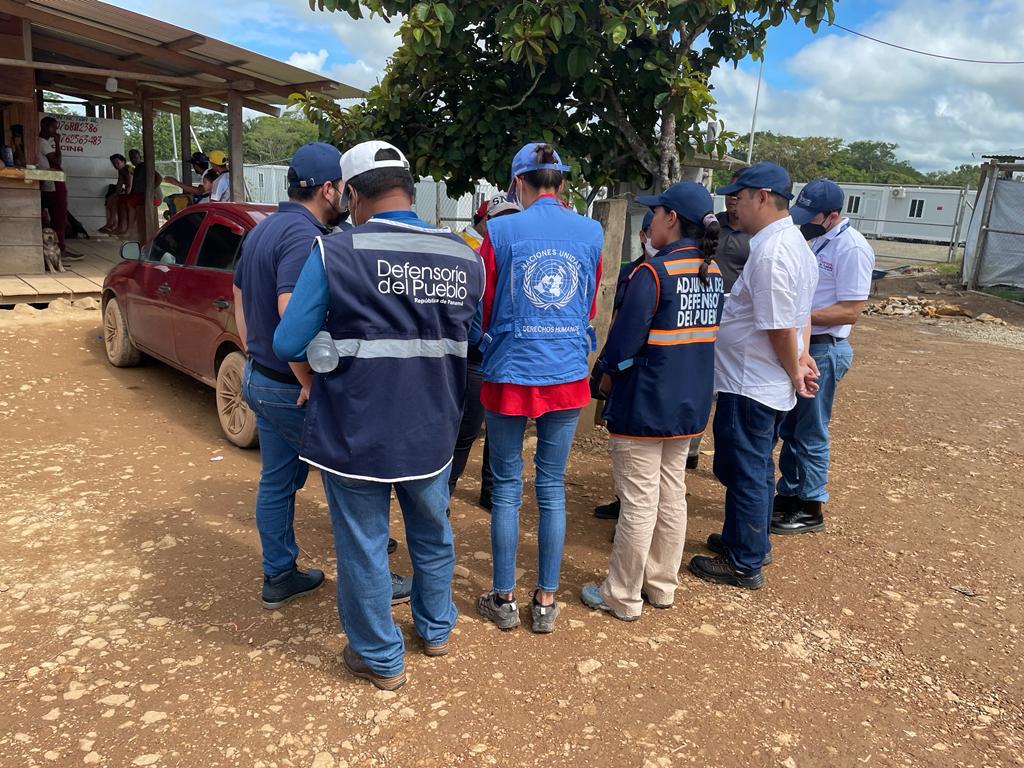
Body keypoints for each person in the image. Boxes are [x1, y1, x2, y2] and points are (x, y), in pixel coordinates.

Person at [273, 140, 484, 690]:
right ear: (408, 189)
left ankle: (380, 657)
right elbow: (472, 337)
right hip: (434, 427)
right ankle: (436, 630)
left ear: (351, 193)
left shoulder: (335, 253)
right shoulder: (463, 253)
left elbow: (288, 339)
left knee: (365, 543)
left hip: (356, 429)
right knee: (433, 532)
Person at [233, 143, 410, 611]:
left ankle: (279, 574)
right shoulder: (305, 237)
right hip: (294, 387)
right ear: (332, 190)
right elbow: (290, 315)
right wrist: (307, 379)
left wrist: (256, 358)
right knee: (351, 488)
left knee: (277, 481)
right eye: (345, 192)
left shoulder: (262, 229)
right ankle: (378, 582)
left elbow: (239, 299)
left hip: (260, 379)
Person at [581, 182, 724, 620]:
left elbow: (623, 344)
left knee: (640, 501)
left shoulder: (653, 273)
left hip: (645, 404)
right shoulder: (712, 272)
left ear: (671, 219)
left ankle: (622, 595)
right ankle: (661, 586)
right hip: (689, 405)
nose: (651, 223)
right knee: (672, 495)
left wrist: (599, 378)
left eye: (656, 213)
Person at [475, 142, 603, 634]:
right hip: (566, 374)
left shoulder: (500, 230)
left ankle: (504, 597)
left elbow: (482, 305)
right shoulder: (590, 231)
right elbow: (587, 304)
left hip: (510, 372)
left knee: (506, 487)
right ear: (562, 184)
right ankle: (546, 601)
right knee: (551, 488)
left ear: (518, 184)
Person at [688, 162, 818, 590]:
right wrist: (799, 358)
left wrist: (795, 366)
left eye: (739, 197)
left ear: (762, 196)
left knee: (745, 470)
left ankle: (744, 563)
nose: (733, 206)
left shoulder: (773, 252)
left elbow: (780, 325)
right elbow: (801, 318)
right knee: (754, 467)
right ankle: (744, 542)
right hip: (760, 381)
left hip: (751, 383)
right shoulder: (791, 244)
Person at [773, 179, 875, 535]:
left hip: (825, 348)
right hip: (806, 344)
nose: (805, 222)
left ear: (833, 215)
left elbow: (850, 311)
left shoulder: (853, 248)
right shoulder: (817, 239)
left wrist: (797, 315)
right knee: (792, 427)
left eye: (812, 216)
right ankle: (788, 494)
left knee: (811, 430)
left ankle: (811, 504)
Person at [448, 193, 522, 512]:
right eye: (499, 219)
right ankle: (442, 494)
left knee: (501, 432)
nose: (506, 226)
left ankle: (490, 491)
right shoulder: (472, 258)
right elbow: (473, 325)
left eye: (512, 219)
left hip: (507, 360)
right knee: (465, 431)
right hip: (477, 358)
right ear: (486, 223)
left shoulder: (521, 260)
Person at [685, 169, 754, 470]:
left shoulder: (755, 238)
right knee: (698, 381)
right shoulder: (713, 226)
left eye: (737, 198)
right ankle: (690, 450)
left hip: (733, 319)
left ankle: (723, 458)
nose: (731, 203)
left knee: (720, 390)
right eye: (728, 197)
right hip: (701, 311)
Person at [592, 209, 657, 521]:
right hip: (621, 361)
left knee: (641, 455)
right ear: (642, 236)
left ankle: (633, 514)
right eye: (644, 232)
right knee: (619, 440)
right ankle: (622, 498)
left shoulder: (657, 274)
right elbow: (616, 321)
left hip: (640, 370)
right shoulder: (630, 272)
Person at [37, 117, 81, 262]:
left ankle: (55, 249)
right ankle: (60, 249)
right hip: (53, 182)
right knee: (59, 217)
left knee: (53, 217)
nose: (55, 131)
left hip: (47, 182)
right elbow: (57, 162)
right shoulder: (42, 143)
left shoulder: (40, 143)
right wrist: (57, 143)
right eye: (53, 127)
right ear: (44, 126)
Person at [100, 153, 132, 236]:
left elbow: (129, 186)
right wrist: (116, 194)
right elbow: (119, 185)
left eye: (118, 163)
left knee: (117, 200)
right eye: (114, 164)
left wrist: (122, 195)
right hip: (128, 191)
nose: (116, 165)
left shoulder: (128, 169)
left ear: (123, 161)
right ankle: (112, 223)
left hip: (134, 191)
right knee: (111, 198)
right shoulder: (121, 171)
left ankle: (113, 223)